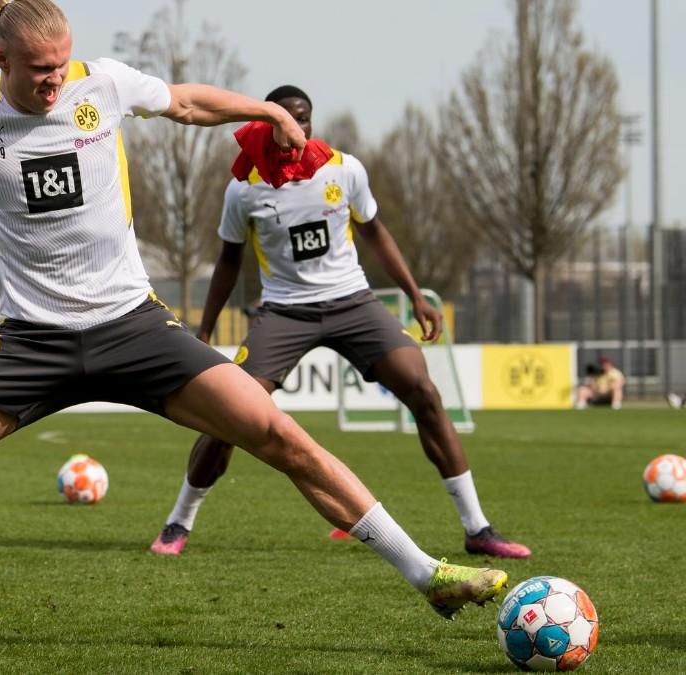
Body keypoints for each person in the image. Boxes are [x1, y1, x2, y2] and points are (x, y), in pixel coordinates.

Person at [0, 0, 506, 655]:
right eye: (40, 71)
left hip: (132, 328)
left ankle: (428, 572)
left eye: (62, 67)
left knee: (275, 431)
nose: (56, 83)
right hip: (33, 345)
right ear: (1, 61)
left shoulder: (101, 87)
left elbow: (187, 102)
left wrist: (261, 106)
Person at [150, 86, 530, 560]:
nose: (297, 128)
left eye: (305, 119)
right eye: (286, 119)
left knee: (425, 392)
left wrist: (415, 296)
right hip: (284, 311)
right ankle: (178, 521)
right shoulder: (244, 187)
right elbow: (228, 261)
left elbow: (375, 232)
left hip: (353, 303)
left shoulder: (343, 169)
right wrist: (205, 331)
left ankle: (478, 529)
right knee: (233, 411)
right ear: (268, 122)